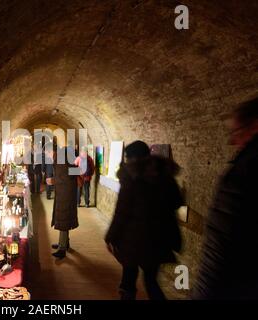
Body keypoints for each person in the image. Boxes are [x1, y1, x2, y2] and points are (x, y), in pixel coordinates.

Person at [192, 97, 258, 300]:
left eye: (237, 132)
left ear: (255, 125)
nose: (232, 141)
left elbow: (223, 239)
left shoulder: (246, 169)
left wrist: (204, 292)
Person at [105, 141, 183, 300]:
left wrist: (110, 236)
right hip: (158, 239)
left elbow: (122, 212)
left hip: (133, 240)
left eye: (127, 157)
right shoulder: (164, 176)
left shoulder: (131, 178)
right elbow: (176, 202)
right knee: (151, 282)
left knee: (128, 280)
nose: (125, 161)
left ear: (133, 159)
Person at [50, 146, 79, 259]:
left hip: (65, 193)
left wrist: (53, 180)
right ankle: (64, 243)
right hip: (66, 192)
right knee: (64, 218)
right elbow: (73, 172)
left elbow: (65, 176)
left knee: (63, 218)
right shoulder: (64, 157)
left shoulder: (61, 159)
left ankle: (62, 249)